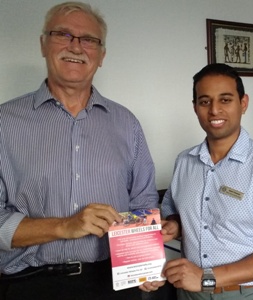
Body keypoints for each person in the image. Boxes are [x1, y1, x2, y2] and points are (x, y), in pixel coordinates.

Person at [0, 2, 159, 299]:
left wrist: (144, 264)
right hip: (31, 285)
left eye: (88, 40)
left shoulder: (127, 123)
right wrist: (65, 226)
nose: (76, 46)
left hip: (112, 284)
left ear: (101, 56)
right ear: (43, 44)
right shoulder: (4, 123)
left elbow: (143, 200)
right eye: (63, 34)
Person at [140, 63, 253, 300]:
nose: (214, 110)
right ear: (195, 107)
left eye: (225, 100)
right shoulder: (184, 162)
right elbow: (177, 216)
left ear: (243, 103)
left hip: (251, 294)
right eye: (205, 101)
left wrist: (206, 277)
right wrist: (175, 226)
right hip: (191, 294)